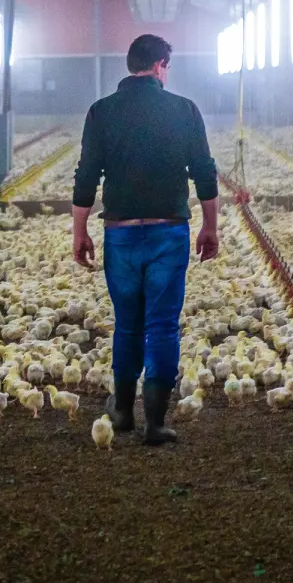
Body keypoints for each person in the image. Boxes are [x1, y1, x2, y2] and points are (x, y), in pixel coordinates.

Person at [71, 34, 219, 445]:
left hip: (120, 234)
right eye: (167, 66)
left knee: (128, 325)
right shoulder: (184, 110)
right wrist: (210, 226)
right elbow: (204, 172)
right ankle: (154, 421)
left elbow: (87, 175)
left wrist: (80, 230)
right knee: (162, 325)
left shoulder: (101, 112)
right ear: (160, 66)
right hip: (168, 232)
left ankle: (121, 412)